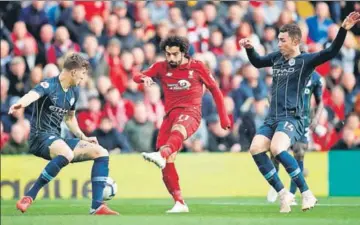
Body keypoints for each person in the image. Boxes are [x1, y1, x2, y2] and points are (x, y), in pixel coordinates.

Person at [239, 11, 359, 213]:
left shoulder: (305, 61)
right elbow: (258, 62)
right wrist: (250, 50)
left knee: (277, 149)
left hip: (291, 117)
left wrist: (343, 30)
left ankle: (306, 193)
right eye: (278, 40)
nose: (278, 44)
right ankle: (283, 193)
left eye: (282, 40)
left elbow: (330, 52)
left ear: (295, 42)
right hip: (272, 117)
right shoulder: (277, 58)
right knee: (256, 148)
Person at [9, 53, 118, 215]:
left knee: (101, 152)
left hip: (56, 138)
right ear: (73, 72)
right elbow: (33, 95)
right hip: (39, 137)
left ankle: (97, 206)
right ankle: (29, 195)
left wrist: (83, 137)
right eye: (82, 75)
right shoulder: (49, 84)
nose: (83, 79)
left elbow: (69, 119)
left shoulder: (74, 92)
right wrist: (20, 103)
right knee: (67, 153)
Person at [133, 36, 230, 213]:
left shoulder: (198, 67)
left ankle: (161, 154)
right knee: (167, 162)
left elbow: (215, 90)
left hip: (191, 113)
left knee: (175, 135)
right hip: (169, 117)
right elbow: (136, 75)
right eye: (167, 54)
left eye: (174, 54)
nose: (170, 58)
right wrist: (142, 79)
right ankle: (179, 202)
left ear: (184, 52)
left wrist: (224, 118)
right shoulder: (161, 67)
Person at [268, 71, 324, 204]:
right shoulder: (287, 72)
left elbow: (320, 101)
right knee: (276, 152)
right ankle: (275, 185)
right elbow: (271, 95)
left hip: (302, 120)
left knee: (299, 152)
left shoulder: (316, 78)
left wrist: (316, 119)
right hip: (284, 117)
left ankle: (292, 194)